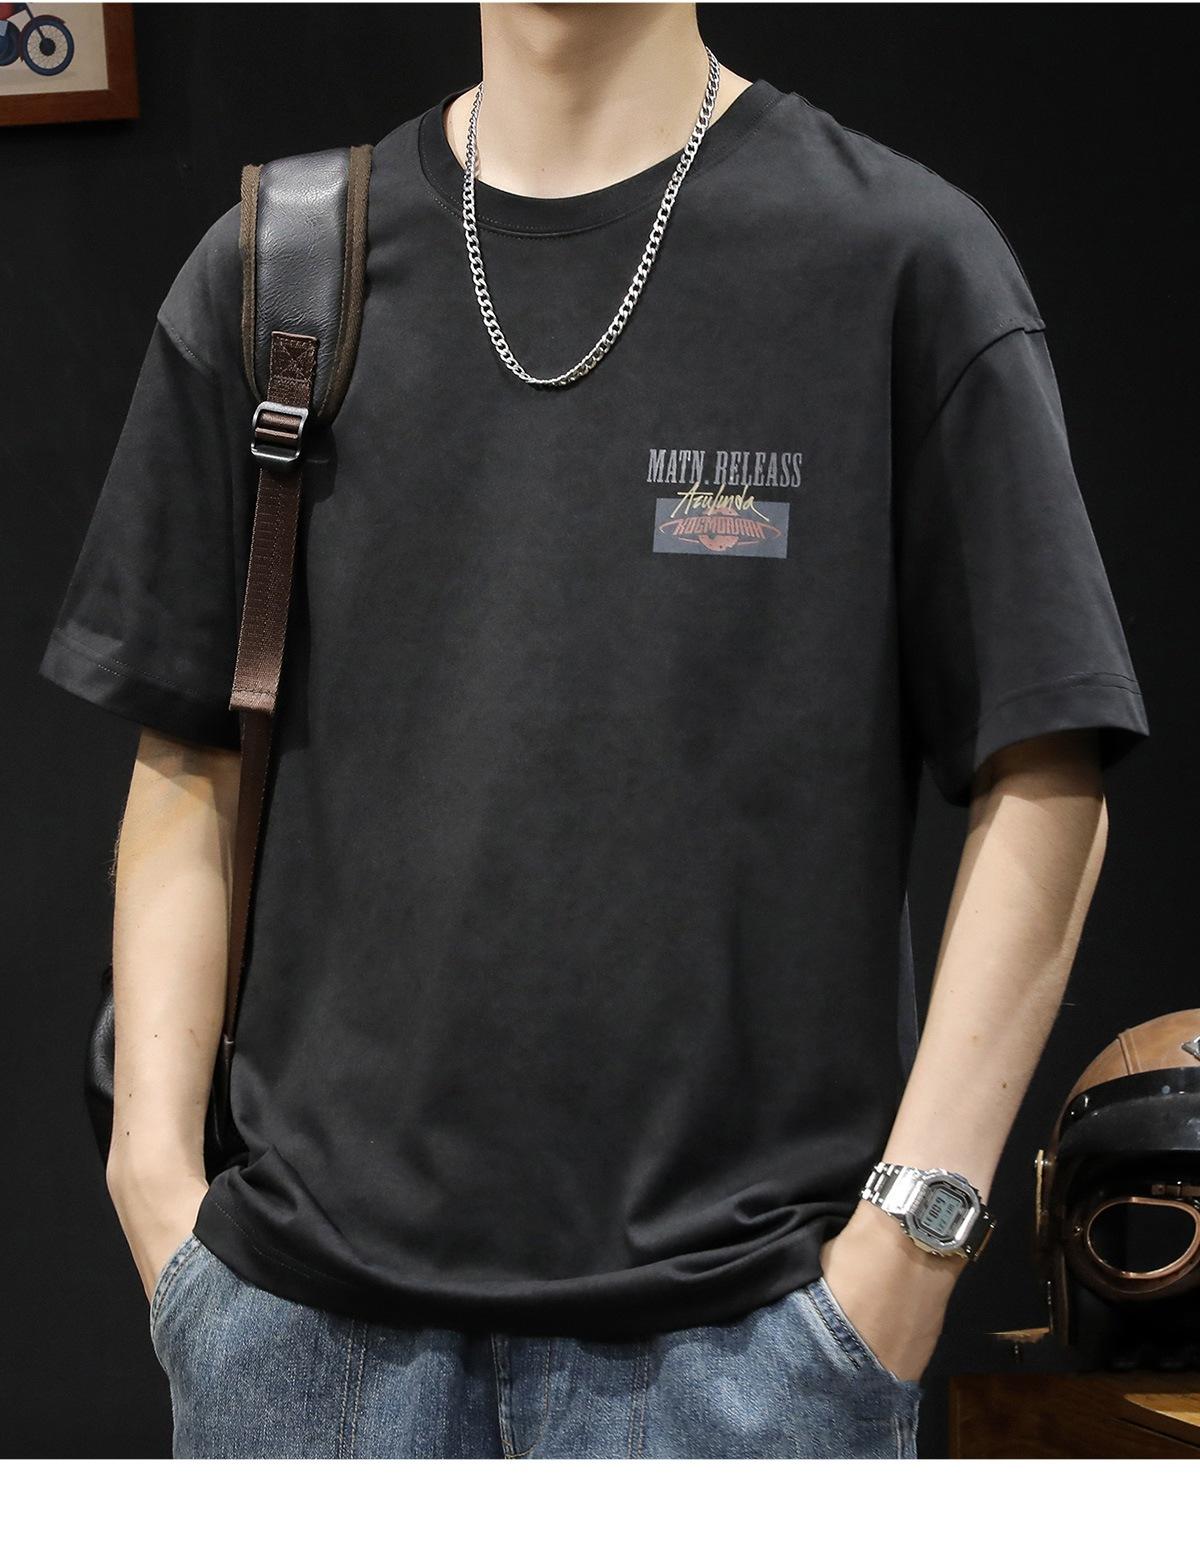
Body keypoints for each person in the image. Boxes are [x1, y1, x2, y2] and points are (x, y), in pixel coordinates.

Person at [38, 2, 1149, 1459]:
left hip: (743, 1367)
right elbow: (186, 757)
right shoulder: (275, 270)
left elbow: (1046, 762)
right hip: (302, 1359)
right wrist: (158, 1192)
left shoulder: (897, 261)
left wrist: (909, 1248)